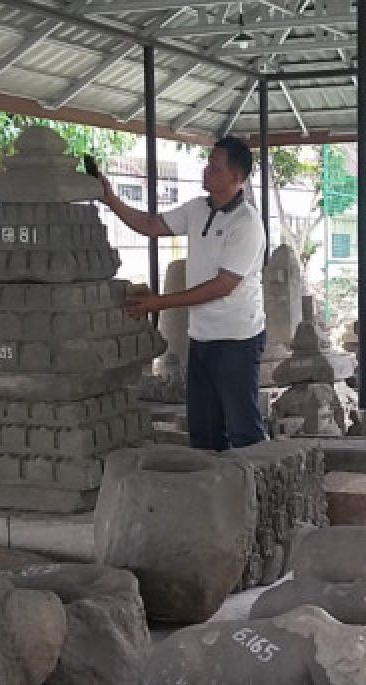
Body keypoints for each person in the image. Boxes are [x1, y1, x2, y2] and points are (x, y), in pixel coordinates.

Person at [97, 136, 267, 452]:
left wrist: (160, 303)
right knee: (203, 431)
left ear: (236, 177)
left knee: (243, 429)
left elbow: (223, 285)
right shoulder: (197, 208)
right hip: (202, 336)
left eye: (215, 167)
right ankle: (212, 495)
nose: (206, 171)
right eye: (208, 163)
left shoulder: (247, 224)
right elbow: (151, 225)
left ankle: (256, 497)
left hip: (237, 338)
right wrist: (112, 200)